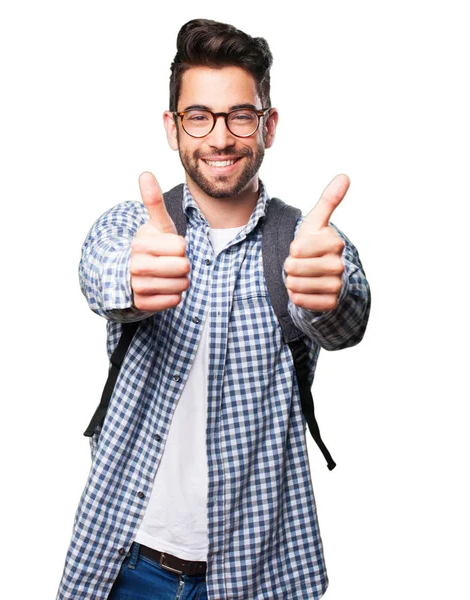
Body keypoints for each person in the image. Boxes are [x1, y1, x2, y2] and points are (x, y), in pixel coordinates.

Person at [57, 18, 371, 600]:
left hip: (261, 574)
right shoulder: (133, 228)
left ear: (268, 125)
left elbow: (345, 314)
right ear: (173, 129)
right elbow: (99, 269)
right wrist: (130, 278)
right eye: (198, 116)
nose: (220, 137)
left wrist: (330, 294)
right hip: (126, 567)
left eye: (240, 116)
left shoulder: (306, 243)